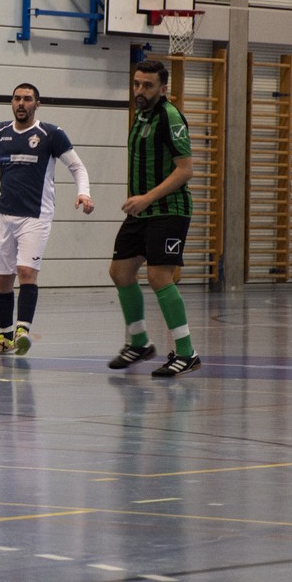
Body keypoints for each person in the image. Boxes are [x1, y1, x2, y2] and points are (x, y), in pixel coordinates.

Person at [0, 83, 94, 356]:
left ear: (37, 104)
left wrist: (84, 193)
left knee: (26, 272)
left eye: (27, 99)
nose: (21, 103)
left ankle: (23, 330)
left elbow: (77, 166)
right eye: (17, 98)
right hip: (4, 215)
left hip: (36, 215)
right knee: (2, 279)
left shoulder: (51, 134)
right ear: (12, 102)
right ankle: (5, 337)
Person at [107, 58, 201, 377]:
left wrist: (147, 197)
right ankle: (139, 343)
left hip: (169, 209)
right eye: (136, 84)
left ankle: (186, 353)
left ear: (163, 88)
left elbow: (185, 170)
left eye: (147, 85)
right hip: (142, 211)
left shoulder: (170, 117)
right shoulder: (140, 114)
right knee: (120, 272)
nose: (140, 90)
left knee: (159, 276)